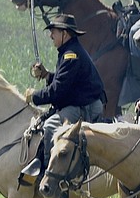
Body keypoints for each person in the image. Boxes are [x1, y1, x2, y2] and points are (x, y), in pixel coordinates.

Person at [23, 14, 105, 174]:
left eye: (54, 31)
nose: (50, 35)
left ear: (65, 34)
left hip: (84, 107)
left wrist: (35, 96)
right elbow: (67, 83)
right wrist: (47, 75)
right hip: (80, 102)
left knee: (49, 127)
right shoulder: (69, 51)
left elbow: (58, 91)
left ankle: (48, 175)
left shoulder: (71, 55)